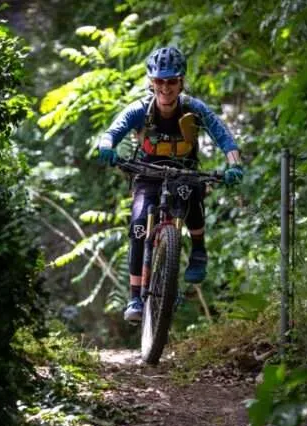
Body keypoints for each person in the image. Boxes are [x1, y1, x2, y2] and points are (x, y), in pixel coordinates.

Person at [98, 47, 244, 323]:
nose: (165, 87)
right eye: (159, 81)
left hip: (184, 172)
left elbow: (223, 135)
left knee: (192, 198)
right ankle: (134, 297)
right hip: (147, 173)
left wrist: (234, 163)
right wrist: (107, 146)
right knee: (139, 224)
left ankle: (198, 250)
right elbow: (113, 131)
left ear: (181, 82)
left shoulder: (194, 108)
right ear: (151, 82)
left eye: (172, 81)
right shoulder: (140, 110)